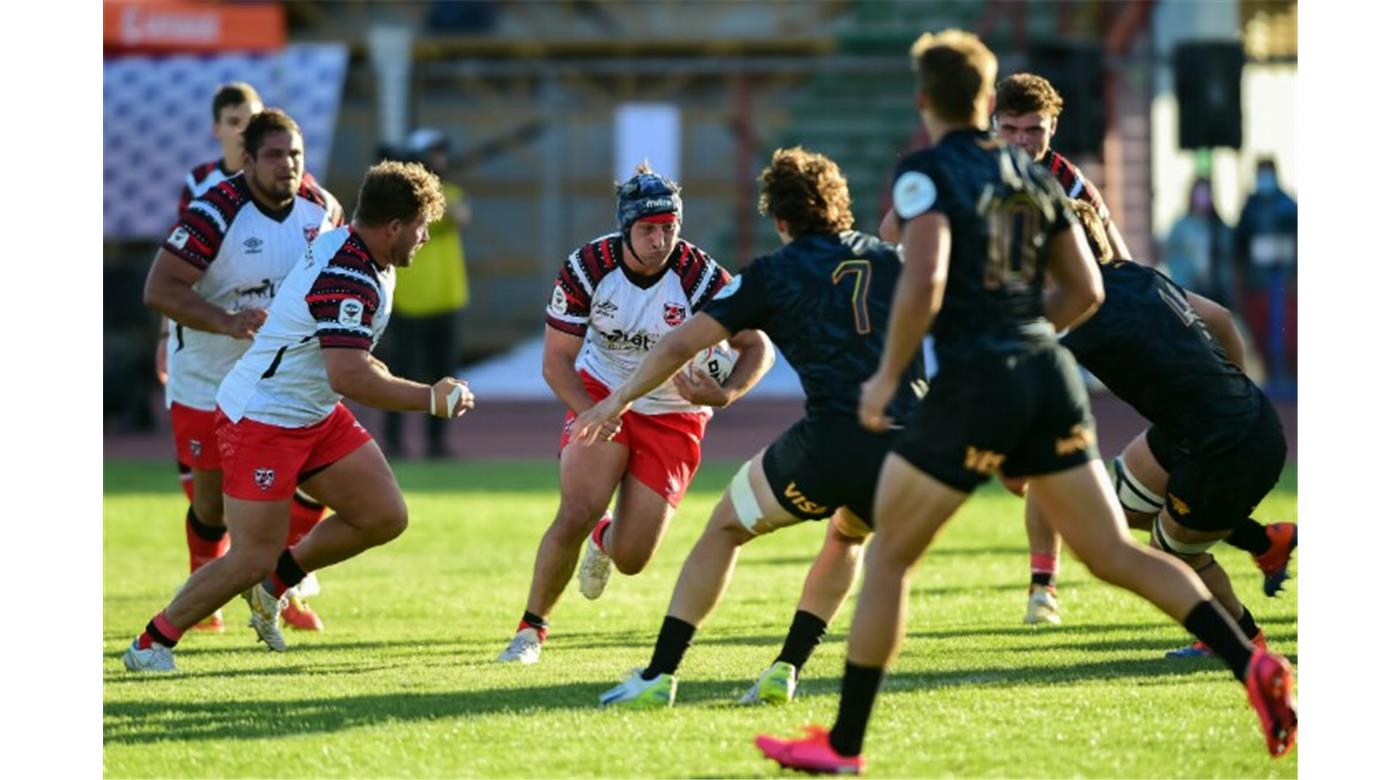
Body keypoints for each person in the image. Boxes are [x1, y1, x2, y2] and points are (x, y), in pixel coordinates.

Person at [755, 30, 1296, 773]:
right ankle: (1252, 663)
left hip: (981, 379)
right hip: (1049, 377)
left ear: (925, 100)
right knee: (1112, 553)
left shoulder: (925, 172)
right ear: (986, 101)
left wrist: (890, 373)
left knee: (886, 556)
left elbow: (919, 270)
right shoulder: (1044, 177)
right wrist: (1034, 331)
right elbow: (1091, 287)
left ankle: (844, 747)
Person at [568, 148, 923, 708]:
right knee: (849, 537)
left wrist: (616, 400)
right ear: (841, 204)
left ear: (779, 220)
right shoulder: (893, 259)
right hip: (910, 446)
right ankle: (787, 667)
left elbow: (679, 345)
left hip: (832, 438)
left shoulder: (771, 275)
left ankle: (660, 674)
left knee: (726, 528)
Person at [123, 160, 468, 672]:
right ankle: (151, 643)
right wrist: (429, 399)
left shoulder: (365, 254)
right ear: (395, 226)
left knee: (383, 515)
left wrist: (414, 388)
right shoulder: (348, 274)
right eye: (421, 228)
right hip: (262, 417)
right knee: (249, 556)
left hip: (312, 412)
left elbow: (352, 360)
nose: (424, 238)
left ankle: (273, 587)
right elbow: (349, 376)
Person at [495, 165, 773, 665]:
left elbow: (758, 346)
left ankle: (606, 539)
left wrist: (726, 393)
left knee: (632, 558)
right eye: (648, 229)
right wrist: (593, 412)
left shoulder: (701, 276)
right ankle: (530, 631)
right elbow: (555, 362)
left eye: (669, 228)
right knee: (577, 509)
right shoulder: (587, 268)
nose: (660, 240)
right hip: (602, 390)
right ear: (625, 227)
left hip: (675, 411)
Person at [1049, 200, 1295, 659]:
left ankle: (1242, 642)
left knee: (1171, 553)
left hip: (1227, 448)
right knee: (1121, 512)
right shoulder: (1140, 275)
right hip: (1222, 422)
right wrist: (1235, 393)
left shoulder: (1079, 312)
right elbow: (1221, 318)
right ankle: (1266, 541)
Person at [144, 109, 342, 636]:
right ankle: (201, 590)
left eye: (295, 154)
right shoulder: (213, 212)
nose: (287, 165)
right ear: (248, 161)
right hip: (206, 377)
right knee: (212, 504)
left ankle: (280, 586)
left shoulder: (322, 209)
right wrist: (227, 322)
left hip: (281, 378)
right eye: (274, 155)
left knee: (320, 481)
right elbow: (159, 289)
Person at [383, 127, 474, 458]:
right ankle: (394, 441)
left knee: (444, 374)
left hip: (446, 298)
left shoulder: (450, 193)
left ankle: (437, 442)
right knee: (398, 375)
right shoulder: (398, 199)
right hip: (408, 299)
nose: (440, 160)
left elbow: (458, 216)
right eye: (433, 154)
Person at [1233, 157, 1297, 385]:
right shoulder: (1250, 208)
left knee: (1288, 338)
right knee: (1261, 337)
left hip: (1285, 286)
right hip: (1257, 284)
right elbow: (1239, 246)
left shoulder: (1289, 207)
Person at [1164, 177, 1234, 308]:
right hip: (1189, 293)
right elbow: (1172, 257)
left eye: (1206, 193)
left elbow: (1228, 258)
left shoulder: (1219, 228)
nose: (1203, 198)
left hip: (1216, 293)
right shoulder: (1181, 227)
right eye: (1199, 193)